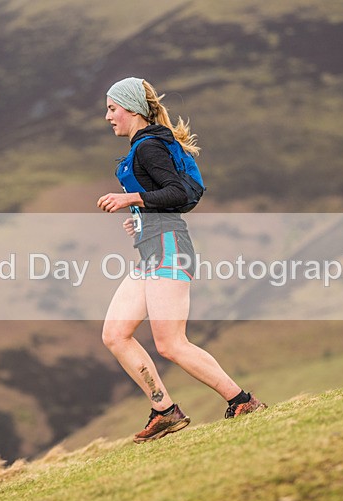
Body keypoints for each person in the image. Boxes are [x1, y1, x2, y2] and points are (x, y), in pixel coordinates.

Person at [97, 77, 266, 443]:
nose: (108, 117)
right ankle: (164, 410)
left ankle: (242, 401)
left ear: (132, 109)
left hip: (169, 248)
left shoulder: (148, 147)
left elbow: (176, 192)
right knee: (115, 334)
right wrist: (140, 220)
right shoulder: (143, 147)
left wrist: (131, 200)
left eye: (112, 109)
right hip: (152, 248)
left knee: (171, 343)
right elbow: (163, 198)